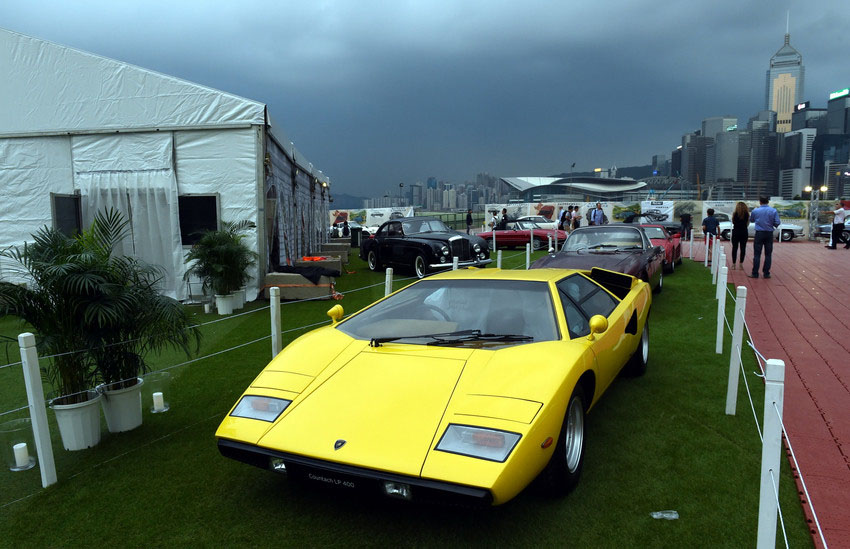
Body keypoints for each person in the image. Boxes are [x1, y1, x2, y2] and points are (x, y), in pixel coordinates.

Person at [749, 196, 781, 279]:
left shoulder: (755, 210)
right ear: (768, 202)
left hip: (759, 233)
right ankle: (766, 273)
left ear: (760, 202)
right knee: (768, 254)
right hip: (769, 233)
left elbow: (751, 220)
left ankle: (755, 273)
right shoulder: (773, 210)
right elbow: (777, 222)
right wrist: (772, 225)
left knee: (757, 254)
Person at [730, 202, 749, 270]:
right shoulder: (746, 214)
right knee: (743, 248)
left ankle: (733, 264)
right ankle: (741, 264)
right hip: (744, 232)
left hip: (736, 232)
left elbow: (733, 222)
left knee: (734, 248)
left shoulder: (735, 214)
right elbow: (747, 223)